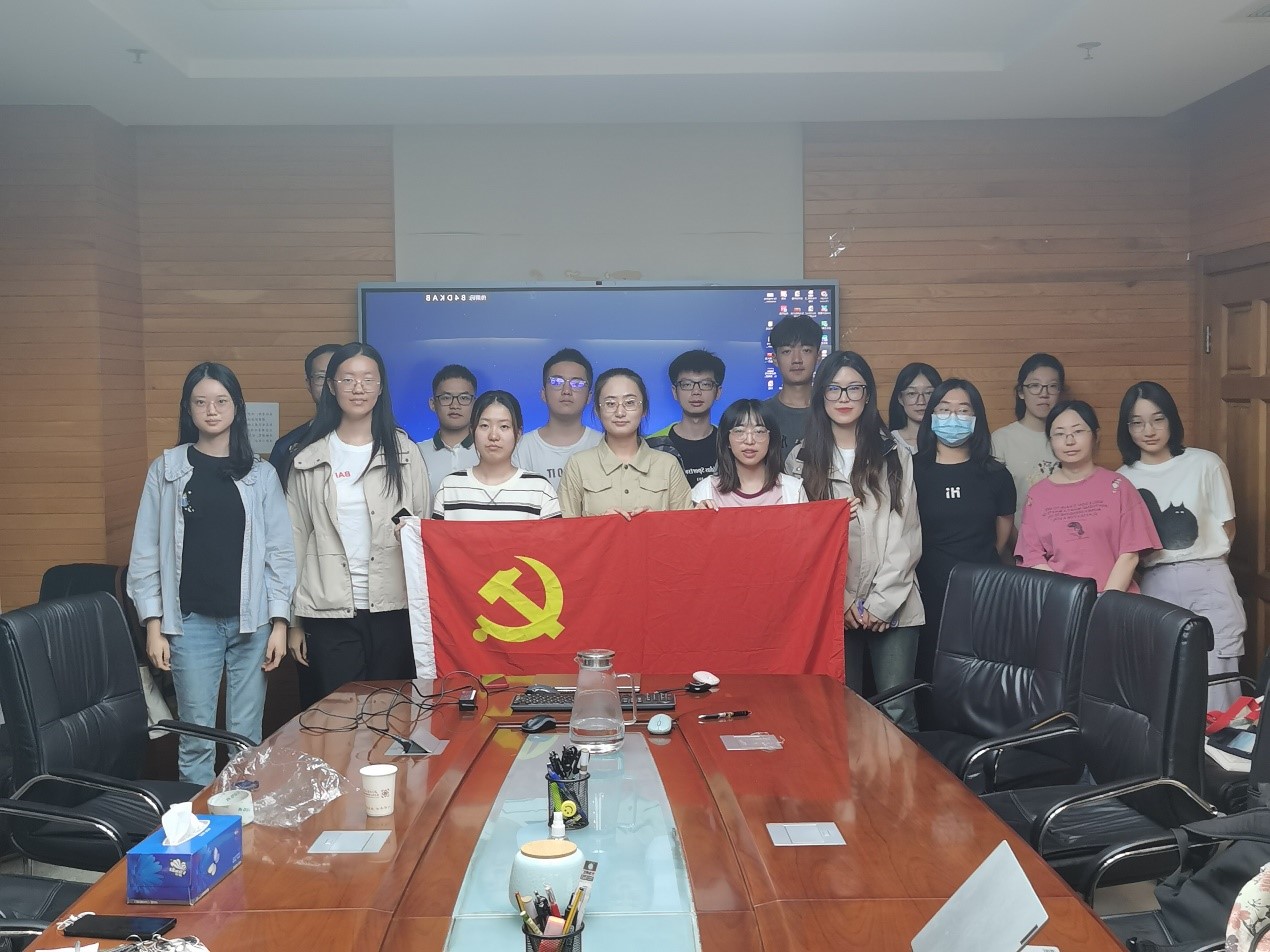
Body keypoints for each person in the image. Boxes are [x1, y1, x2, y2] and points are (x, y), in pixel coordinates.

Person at [127, 362, 295, 785]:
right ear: (188, 409)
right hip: (190, 625)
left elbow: (280, 554)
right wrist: (153, 625)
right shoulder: (167, 470)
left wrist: (279, 623)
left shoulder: (260, 474)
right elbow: (145, 552)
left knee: (245, 738)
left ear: (237, 406)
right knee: (196, 739)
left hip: (252, 625)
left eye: (221, 401)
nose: (212, 410)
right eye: (200, 402)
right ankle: (197, 823)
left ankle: (243, 817)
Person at [284, 342, 430, 706]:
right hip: (329, 612)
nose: (358, 388)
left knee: (392, 714)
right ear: (332, 387)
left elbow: (424, 530)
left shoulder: (406, 453)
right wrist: (294, 621)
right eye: (347, 379)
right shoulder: (308, 457)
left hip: (394, 609)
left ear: (381, 387)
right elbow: (295, 540)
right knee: (339, 717)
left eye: (368, 379)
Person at [785, 350, 923, 730]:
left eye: (854, 388)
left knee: (898, 714)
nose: (844, 398)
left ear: (867, 394)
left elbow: (907, 531)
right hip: (831, 605)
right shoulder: (800, 459)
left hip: (895, 601)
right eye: (834, 389)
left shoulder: (894, 453)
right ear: (820, 395)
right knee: (840, 715)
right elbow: (802, 543)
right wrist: (842, 601)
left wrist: (881, 602)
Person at [1117, 381, 1246, 708]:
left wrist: (1200, 570)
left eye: (1158, 419)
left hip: (1208, 576)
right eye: (1137, 422)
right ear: (1126, 428)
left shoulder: (1206, 463)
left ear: (1172, 419)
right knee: (1163, 683)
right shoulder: (1122, 479)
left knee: (1219, 680)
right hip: (1154, 582)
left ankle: (1222, 741)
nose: (1148, 431)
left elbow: (1227, 528)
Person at [912, 378, 1015, 682]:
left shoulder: (996, 474)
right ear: (931, 415)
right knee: (929, 678)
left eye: (963, 410)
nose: (953, 417)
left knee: (980, 679)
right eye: (944, 409)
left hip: (983, 593)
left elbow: (1001, 537)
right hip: (925, 595)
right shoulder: (911, 470)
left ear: (976, 418)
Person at [1015, 400, 1159, 593]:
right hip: (1060, 601)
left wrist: (1106, 600)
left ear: (1095, 436)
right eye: (1059, 434)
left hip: (1115, 599)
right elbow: (1033, 558)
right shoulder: (1037, 495)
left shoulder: (1118, 486)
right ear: (1050, 441)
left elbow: (1130, 554)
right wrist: (1068, 598)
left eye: (1078, 431)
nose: (1069, 441)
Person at [558, 368, 693, 518]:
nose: (620, 413)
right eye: (610, 404)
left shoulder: (668, 465)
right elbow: (563, 530)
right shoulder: (578, 465)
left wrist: (657, 523)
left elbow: (687, 527)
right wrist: (600, 524)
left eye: (630, 403)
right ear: (597, 410)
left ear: (644, 409)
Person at [432, 390, 561, 521]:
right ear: (472, 431)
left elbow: (556, 535)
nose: (493, 436)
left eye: (504, 426)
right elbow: (436, 534)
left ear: (518, 434)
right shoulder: (450, 487)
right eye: (484, 425)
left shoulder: (540, 490)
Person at [992, 353, 1065, 530]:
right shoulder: (1001, 439)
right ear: (1021, 392)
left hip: (1064, 541)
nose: (1044, 394)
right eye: (1035, 386)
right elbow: (994, 502)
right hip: (1016, 540)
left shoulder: (1068, 439)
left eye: (1052, 386)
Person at [513, 348, 603, 489]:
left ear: (589, 396)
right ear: (543, 393)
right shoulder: (522, 448)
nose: (566, 391)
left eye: (577, 384)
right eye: (556, 382)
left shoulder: (602, 444)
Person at [691, 399, 806, 508]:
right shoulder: (705, 491)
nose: (749, 441)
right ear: (727, 440)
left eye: (759, 431)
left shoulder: (793, 490)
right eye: (739, 431)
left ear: (771, 438)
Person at [647, 349, 725, 488]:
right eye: (687, 384)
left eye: (705, 384)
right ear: (674, 392)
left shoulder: (730, 443)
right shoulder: (653, 445)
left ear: (718, 392)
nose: (696, 392)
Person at [269, 343, 339, 476]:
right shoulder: (285, 447)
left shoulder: (377, 439)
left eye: (340, 377)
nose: (329, 385)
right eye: (321, 377)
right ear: (308, 384)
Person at [762, 314, 823, 456]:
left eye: (806, 350)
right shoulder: (761, 415)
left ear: (818, 356)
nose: (797, 360)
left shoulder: (832, 410)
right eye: (787, 351)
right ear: (775, 359)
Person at [417, 364, 479, 499]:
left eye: (464, 398)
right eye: (446, 397)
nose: (455, 405)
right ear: (433, 404)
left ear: (475, 404)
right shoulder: (416, 453)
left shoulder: (488, 451)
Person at [887, 362, 942, 455]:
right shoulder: (888, 441)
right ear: (900, 399)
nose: (921, 401)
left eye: (929, 393)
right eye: (912, 393)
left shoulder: (946, 439)